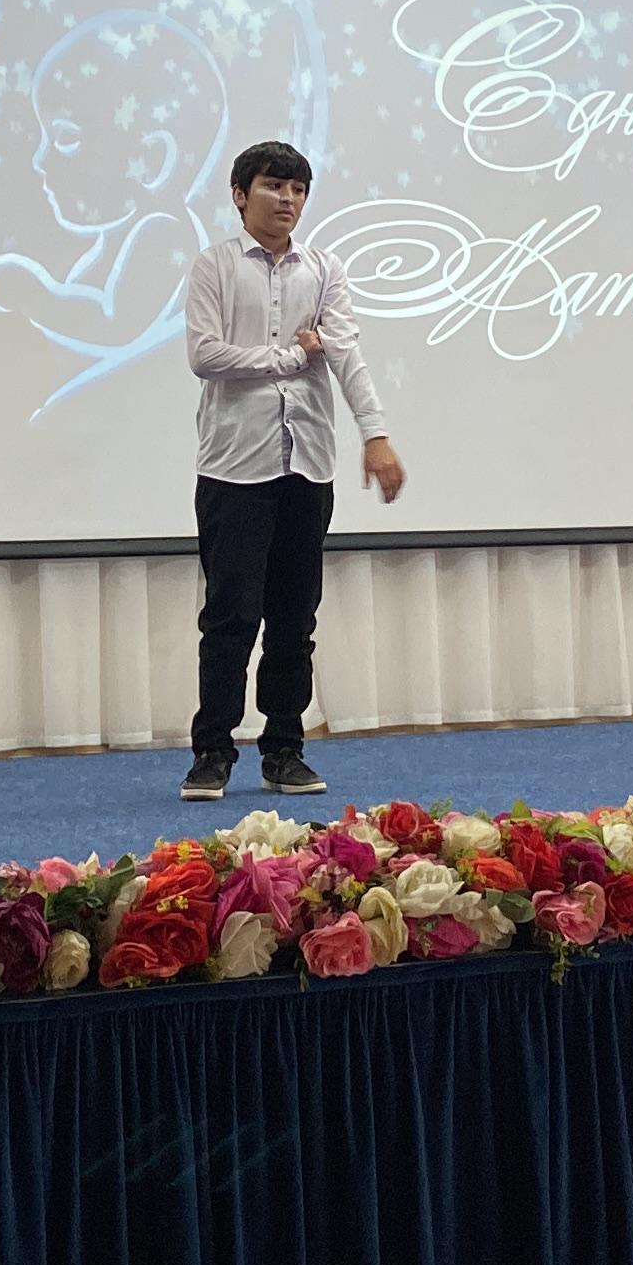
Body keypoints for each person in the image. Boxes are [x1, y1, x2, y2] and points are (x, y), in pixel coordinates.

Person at [179, 140, 405, 802]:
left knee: (294, 620)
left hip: (306, 466)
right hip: (233, 468)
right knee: (229, 618)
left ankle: (284, 749)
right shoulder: (215, 266)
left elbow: (347, 355)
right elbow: (204, 354)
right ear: (240, 194)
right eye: (274, 186)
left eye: (298, 189)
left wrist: (376, 434)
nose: (287, 200)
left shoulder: (324, 269)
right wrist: (287, 358)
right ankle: (212, 753)